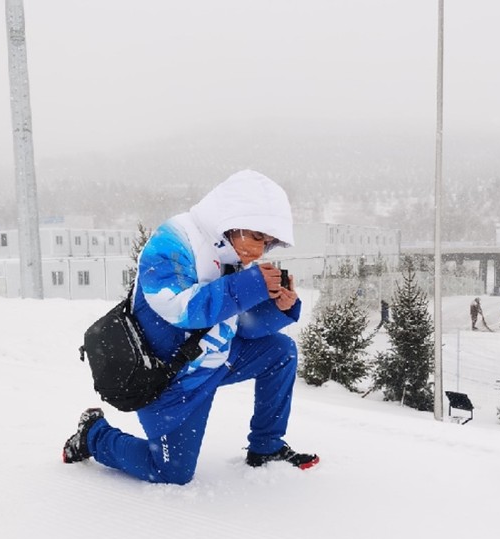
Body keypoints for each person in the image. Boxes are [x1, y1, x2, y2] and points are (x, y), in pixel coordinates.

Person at [62, 170, 319, 485]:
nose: (258, 252)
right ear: (231, 219)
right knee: (171, 472)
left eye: (267, 243)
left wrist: (280, 308)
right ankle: (94, 436)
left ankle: (266, 448)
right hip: (171, 380)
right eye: (255, 236)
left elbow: (241, 328)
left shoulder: (232, 255)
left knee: (281, 350)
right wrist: (250, 284)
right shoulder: (173, 241)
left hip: (215, 362)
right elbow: (180, 310)